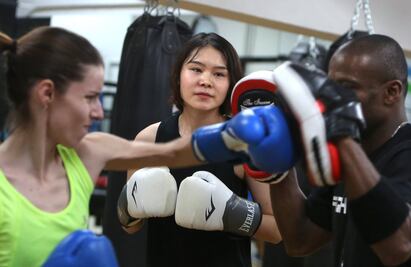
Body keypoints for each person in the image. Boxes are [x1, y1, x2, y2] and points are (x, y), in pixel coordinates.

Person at [0, 27, 294, 267]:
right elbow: (134, 216)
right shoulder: (141, 138)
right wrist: (132, 203)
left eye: (218, 73)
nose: (100, 112)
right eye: (90, 97)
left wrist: (234, 202)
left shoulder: (92, 151)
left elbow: (173, 153)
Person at [118, 33, 287, 267]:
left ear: (231, 83)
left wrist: (232, 213)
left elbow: (278, 229)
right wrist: (128, 205)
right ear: (178, 76)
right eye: (196, 69)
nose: (206, 81)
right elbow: (130, 227)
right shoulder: (148, 140)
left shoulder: (245, 143)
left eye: (219, 73)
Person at [269, 34, 411, 266]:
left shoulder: (406, 154)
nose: (331, 99)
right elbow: (300, 240)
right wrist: (277, 168)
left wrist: (340, 134)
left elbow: (399, 246)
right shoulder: (350, 154)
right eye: (329, 87)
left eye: (347, 88)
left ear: (392, 92)